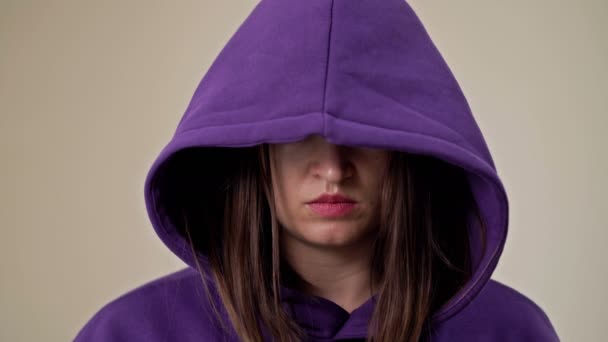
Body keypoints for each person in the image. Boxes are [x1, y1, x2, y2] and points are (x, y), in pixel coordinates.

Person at [74, 0, 560, 341]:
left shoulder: (510, 332)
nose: (332, 169)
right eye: (295, 136)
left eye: (367, 133)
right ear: (251, 151)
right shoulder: (131, 333)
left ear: (409, 151)